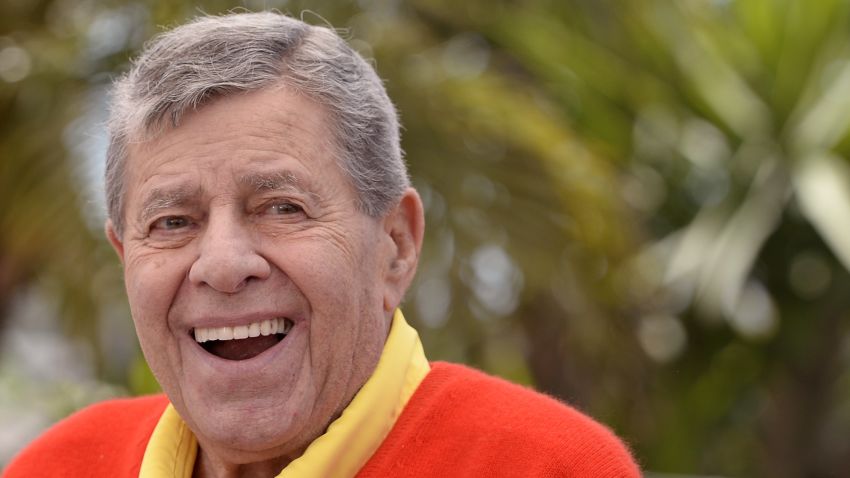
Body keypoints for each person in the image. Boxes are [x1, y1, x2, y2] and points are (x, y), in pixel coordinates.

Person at [4, 11, 640, 478]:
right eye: (173, 222)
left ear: (395, 246)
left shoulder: (548, 466)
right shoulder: (58, 466)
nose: (223, 265)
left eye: (282, 207)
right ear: (125, 259)